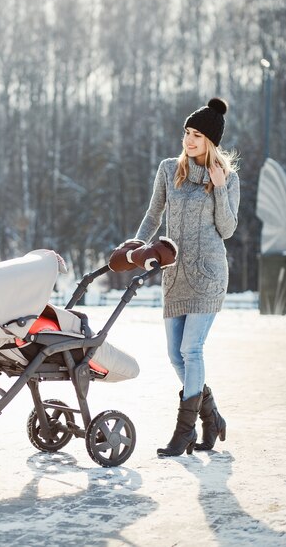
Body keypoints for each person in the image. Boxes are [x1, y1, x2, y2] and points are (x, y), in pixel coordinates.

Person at [113, 97, 240, 456]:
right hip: (175, 272)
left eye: (197, 135)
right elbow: (154, 215)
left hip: (210, 272)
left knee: (191, 349)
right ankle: (211, 416)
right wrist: (136, 248)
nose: (189, 140)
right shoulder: (170, 169)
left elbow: (227, 229)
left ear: (211, 141)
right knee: (174, 354)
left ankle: (184, 432)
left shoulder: (227, 180)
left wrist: (218, 189)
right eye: (187, 132)